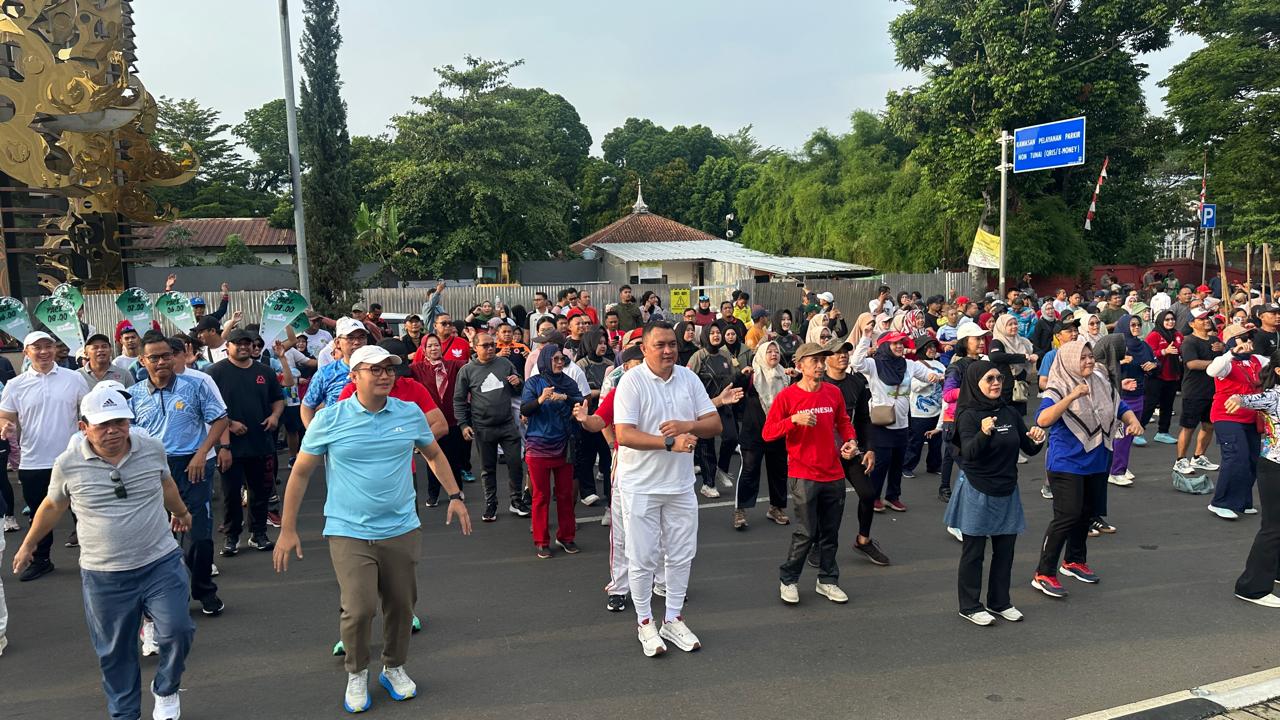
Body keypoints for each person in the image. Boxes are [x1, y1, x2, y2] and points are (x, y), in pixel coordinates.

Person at [274, 344, 471, 713]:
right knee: (359, 608)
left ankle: (394, 667)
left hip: (401, 527)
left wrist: (456, 495)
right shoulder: (329, 419)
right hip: (349, 530)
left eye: (389, 369)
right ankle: (357, 671)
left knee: (401, 605)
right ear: (354, 377)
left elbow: (433, 454)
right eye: (374, 369)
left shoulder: (409, 412)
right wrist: (287, 529)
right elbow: (300, 473)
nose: (384, 375)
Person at [15, 386, 195, 719]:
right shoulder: (68, 463)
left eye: (119, 422)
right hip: (105, 575)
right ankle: (125, 714)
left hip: (160, 562)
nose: (113, 430)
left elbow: (166, 483)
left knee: (178, 630)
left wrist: (181, 513)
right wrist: (28, 544)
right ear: (84, 426)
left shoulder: (152, 448)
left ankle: (166, 689)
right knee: (115, 653)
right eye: (102, 424)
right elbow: (53, 504)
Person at [613, 321, 721, 657]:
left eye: (672, 344)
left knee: (681, 554)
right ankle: (645, 622)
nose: (668, 350)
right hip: (641, 486)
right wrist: (668, 442)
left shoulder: (688, 378)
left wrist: (688, 425)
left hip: (680, 485)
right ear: (644, 348)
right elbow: (624, 434)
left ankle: (672, 619)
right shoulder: (631, 381)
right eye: (660, 344)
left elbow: (714, 424)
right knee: (642, 558)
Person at [129, 331, 230, 619]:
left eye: (166, 356)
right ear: (142, 360)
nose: (161, 361)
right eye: (154, 357)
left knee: (198, 536)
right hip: (152, 470)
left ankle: (204, 590)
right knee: (160, 539)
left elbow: (220, 418)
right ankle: (171, 594)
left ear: (175, 357)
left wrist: (202, 453)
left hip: (193, 465)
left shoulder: (194, 386)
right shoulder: (133, 395)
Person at [1032, 341, 1142, 599]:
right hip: (1066, 461)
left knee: (1085, 513)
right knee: (1066, 515)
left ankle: (1074, 561)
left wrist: (1132, 420)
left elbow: (1118, 406)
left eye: (1090, 356)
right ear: (1070, 360)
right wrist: (1072, 396)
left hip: (1097, 457)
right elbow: (1043, 419)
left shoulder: (1101, 380)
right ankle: (1044, 572)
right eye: (1082, 358)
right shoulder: (1058, 386)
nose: (1089, 361)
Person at [946, 361, 1045, 625]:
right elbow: (968, 453)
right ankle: (969, 606)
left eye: (998, 378)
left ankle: (1000, 602)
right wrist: (983, 432)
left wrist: (1038, 439)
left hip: (1007, 488)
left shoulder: (1009, 412)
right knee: (974, 551)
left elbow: (1027, 447)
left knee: (1005, 550)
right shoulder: (967, 415)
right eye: (989, 379)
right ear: (975, 383)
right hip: (978, 489)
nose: (996, 383)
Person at [765, 340, 859, 606]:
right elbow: (768, 432)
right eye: (814, 361)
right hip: (803, 473)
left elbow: (843, 421)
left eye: (822, 360)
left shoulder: (832, 392)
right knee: (807, 531)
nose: (820, 365)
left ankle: (827, 580)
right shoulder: (788, 396)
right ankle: (789, 579)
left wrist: (851, 441)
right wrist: (793, 420)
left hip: (833, 472)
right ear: (800, 365)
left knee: (830, 532)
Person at [0, 331, 90, 580]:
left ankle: (94, 559)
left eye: (47, 346)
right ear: (26, 352)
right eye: (36, 347)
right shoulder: (15, 385)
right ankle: (41, 560)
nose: (43, 351)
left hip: (72, 457)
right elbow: (5, 417)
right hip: (33, 460)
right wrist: (5, 426)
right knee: (39, 512)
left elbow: (87, 413)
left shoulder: (74, 378)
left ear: (55, 349)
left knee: (82, 511)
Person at [850, 322, 943, 513]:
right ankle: (875, 496)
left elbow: (926, 375)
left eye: (901, 342)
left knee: (897, 462)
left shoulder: (908, 365)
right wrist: (866, 337)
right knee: (881, 462)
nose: (899, 346)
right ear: (885, 346)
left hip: (902, 421)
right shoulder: (874, 365)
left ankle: (893, 497)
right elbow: (856, 363)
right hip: (881, 421)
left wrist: (934, 376)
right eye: (894, 343)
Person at [207, 328, 284, 554]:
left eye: (247, 343)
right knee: (230, 494)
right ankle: (232, 537)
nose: (243, 347)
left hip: (261, 443)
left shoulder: (265, 372)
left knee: (260, 492)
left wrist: (275, 416)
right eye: (237, 343)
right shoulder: (215, 373)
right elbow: (209, 408)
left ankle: (258, 533)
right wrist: (229, 423)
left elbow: (278, 399)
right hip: (229, 446)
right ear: (227, 347)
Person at [1223, 350, 1280, 606]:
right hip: (1274, 468)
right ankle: (1251, 587)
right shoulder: (1274, 395)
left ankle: (1276, 572)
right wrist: (1236, 398)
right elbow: (1249, 398)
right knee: (1273, 528)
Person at [520, 341, 584, 558]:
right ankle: (541, 540)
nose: (559, 362)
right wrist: (542, 398)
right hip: (538, 447)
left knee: (566, 494)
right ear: (545, 360)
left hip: (564, 445)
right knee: (541, 495)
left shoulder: (567, 382)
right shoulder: (534, 383)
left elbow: (581, 401)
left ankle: (566, 537)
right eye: (555, 359)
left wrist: (564, 397)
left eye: (562, 359)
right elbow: (525, 409)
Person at [454, 332, 525, 522]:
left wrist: (518, 383)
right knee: (488, 468)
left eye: (492, 345)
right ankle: (491, 504)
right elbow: (459, 400)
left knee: (516, 463)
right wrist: (463, 425)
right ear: (475, 348)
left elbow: (519, 387)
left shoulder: (504, 364)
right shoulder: (467, 370)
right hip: (483, 427)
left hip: (507, 424)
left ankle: (516, 500)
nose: (491, 348)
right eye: (485, 345)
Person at [1206, 324, 1263, 520]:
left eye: (1249, 337)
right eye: (1244, 338)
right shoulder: (1227, 362)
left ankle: (1242, 501)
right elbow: (1212, 370)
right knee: (1236, 457)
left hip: (1250, 417)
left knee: (1252, 459)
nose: (1249, 341)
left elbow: (1273, 359)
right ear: (1232, 341)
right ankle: (1220, 502)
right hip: (1226, 416)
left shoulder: (1256, 360)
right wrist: (1231, 352)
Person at [733, 340, 791, 529]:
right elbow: (733, 388)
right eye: (769, 351)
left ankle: (776, 508)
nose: (774, 354)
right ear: (761, 355)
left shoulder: (785, 376)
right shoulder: (753, 376)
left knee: (779, 472)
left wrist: (796, 377)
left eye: (776, 351)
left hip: (778, 433)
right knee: (749, 472)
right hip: (753, 434)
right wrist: (741, 375)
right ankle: (741, 510)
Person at [412, 334, 470, 502]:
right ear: (423, 350)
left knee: (454, 458)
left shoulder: (453, 365)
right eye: (429, 346)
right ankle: (433, 494)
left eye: (436, 345)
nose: (434, 348)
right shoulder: (417, 368)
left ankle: (457, 491)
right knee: (432, 457)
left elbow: (472, 364)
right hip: (431, 422)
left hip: (452, 419)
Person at [686, 324, 742, 496]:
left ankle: (721, 469)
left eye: (719, 332)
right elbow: (688, 381)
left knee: (732, 438)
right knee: (706, 446)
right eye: (712, 333)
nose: (716, 335)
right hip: (704, 407)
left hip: (724, 405)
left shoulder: (726, 355)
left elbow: (733, 376)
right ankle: (708, 484)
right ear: (705, 336)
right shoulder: (699, 356)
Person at [1174, 309, 1223, 476]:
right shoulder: (1189, 342)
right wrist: (1218, 362)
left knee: (1209, 425)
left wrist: (1222, 349)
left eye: (1207, 317)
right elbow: (1192, 364)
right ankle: (1180, 460)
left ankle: (1199, 456)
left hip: (1213, 391)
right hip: (1194, 391)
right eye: (1201, 319)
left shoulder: (1216, 340)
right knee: (1188, 427)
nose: (1206, 321)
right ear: (1192, 323)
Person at [574, 330, 614, 507]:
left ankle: (609, 493)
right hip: (588, 414)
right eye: (599, 343)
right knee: (587, 456)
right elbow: (581, 392)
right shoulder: (581, 365)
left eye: (605, 342)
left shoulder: (610, 365)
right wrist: (599, 392)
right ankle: (587, 491)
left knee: (607, 457)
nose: (603, 346)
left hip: (606, 416)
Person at [902, 337, 945, 479]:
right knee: (916, 442)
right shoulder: (915, 364)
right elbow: (913, 386)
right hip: (919, 412)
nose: (932, 349)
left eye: (934, 347)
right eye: (929, 347)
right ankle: (907, 466)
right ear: (922, 349)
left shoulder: (940, 364)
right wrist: (929, 380)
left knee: (936, 442)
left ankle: (934, 466)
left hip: (938, 409)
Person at [1143, 310, 1182, 444]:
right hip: (1156, 376)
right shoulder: (1155, 335)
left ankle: (1163, 432)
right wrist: (1164, 351)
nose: (1170, 322)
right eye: (1167, 320)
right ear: (1161, 321)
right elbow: (1147, 353)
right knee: (1150, 404)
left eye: (1172, 319)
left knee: (1167, 406)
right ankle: (1138, 431)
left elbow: (1182, 348)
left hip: (1172, 375)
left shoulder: (1177, 335)